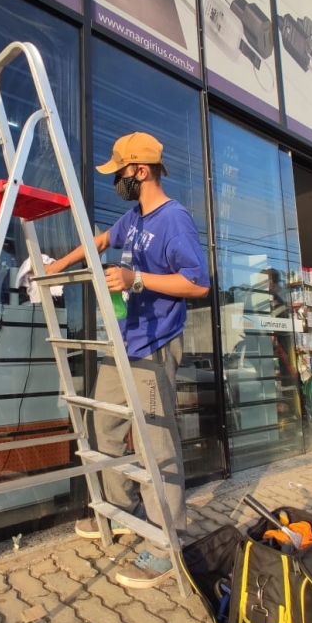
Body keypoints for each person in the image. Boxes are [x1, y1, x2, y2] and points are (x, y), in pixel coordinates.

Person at [46, 132, 210, 587]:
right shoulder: (133, 217)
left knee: (156, 443)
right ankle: (122, 510)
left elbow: (197, 283)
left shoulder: (174, 220)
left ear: (140, 170)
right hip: (123, 342)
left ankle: (167, 540)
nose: (115, 179)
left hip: (155, 344)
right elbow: (100, 240)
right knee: (105, 424)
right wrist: (57, 266)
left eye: (119, 171)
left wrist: (137, 278)